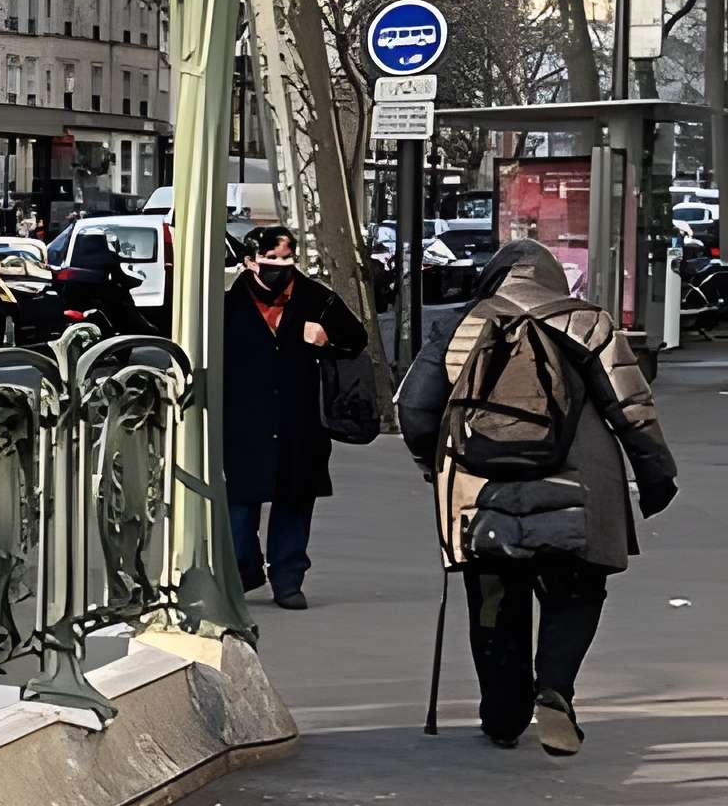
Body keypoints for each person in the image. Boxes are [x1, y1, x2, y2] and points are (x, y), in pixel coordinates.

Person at [399, 238, 676, 753]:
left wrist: (432, 464)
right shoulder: (587, 321)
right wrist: (656, 474)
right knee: (576, 588)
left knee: (494, 599)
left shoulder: (461, 325)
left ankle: (503, 717)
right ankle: (554, 688)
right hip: (578, 487)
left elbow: (414, 408)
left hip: (481, 492)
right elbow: (630, 405)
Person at [220, 224, 368, 609]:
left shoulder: (317, 299)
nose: (281, 267)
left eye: (288, 259)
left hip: (299, 422)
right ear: (249, 262)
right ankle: (244, 569)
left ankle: (288, 580)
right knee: (237, 509)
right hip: (241, 423)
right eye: (271, 260)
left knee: (294, 500)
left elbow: (356, 340)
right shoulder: (224, 305)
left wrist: (325, 341)